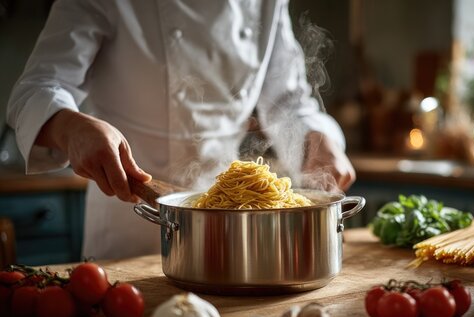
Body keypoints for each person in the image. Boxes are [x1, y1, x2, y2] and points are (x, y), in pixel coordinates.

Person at [7, 0, 356, 260]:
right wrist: (70, 126)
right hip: (130, 220)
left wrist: (317, 139)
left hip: (233, 223)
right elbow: (36, 86)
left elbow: (288, 101)